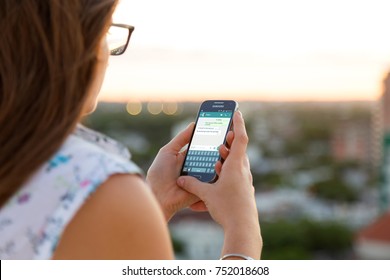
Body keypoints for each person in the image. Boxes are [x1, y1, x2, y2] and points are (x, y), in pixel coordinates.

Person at [0, 0, 262, 260]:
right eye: (106, 31)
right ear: (77, 42)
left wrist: (154, 202)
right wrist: (244, 226)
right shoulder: (92, 184)